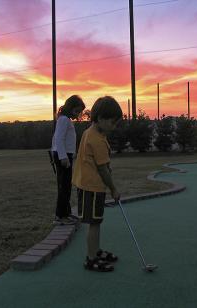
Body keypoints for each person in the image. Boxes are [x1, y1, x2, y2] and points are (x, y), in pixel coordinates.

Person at [72, 96, 122, 272]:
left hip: (87, 185)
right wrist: (114, 189)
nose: (114, 127)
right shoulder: (97, 139)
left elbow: (101, 163)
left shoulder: (91, 132)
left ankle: (96, 251)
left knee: (96, 222)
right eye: (113, 123)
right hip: (91, 187)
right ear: (100, 119)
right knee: (94, 223)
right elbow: (102, 170)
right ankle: (91, 259)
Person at [51, 95, 85, 225]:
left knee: (66, 186)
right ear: (70, 108)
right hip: (63, 156)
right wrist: (63, 157)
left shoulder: (65, 120)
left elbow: (59, 139)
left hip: (66, 155)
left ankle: (66, 213)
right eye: (76, 111)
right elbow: (58, 139)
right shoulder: (64, 119)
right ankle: (60, 216)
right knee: (64, 187)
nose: (78, 114)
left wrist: (71, 154)